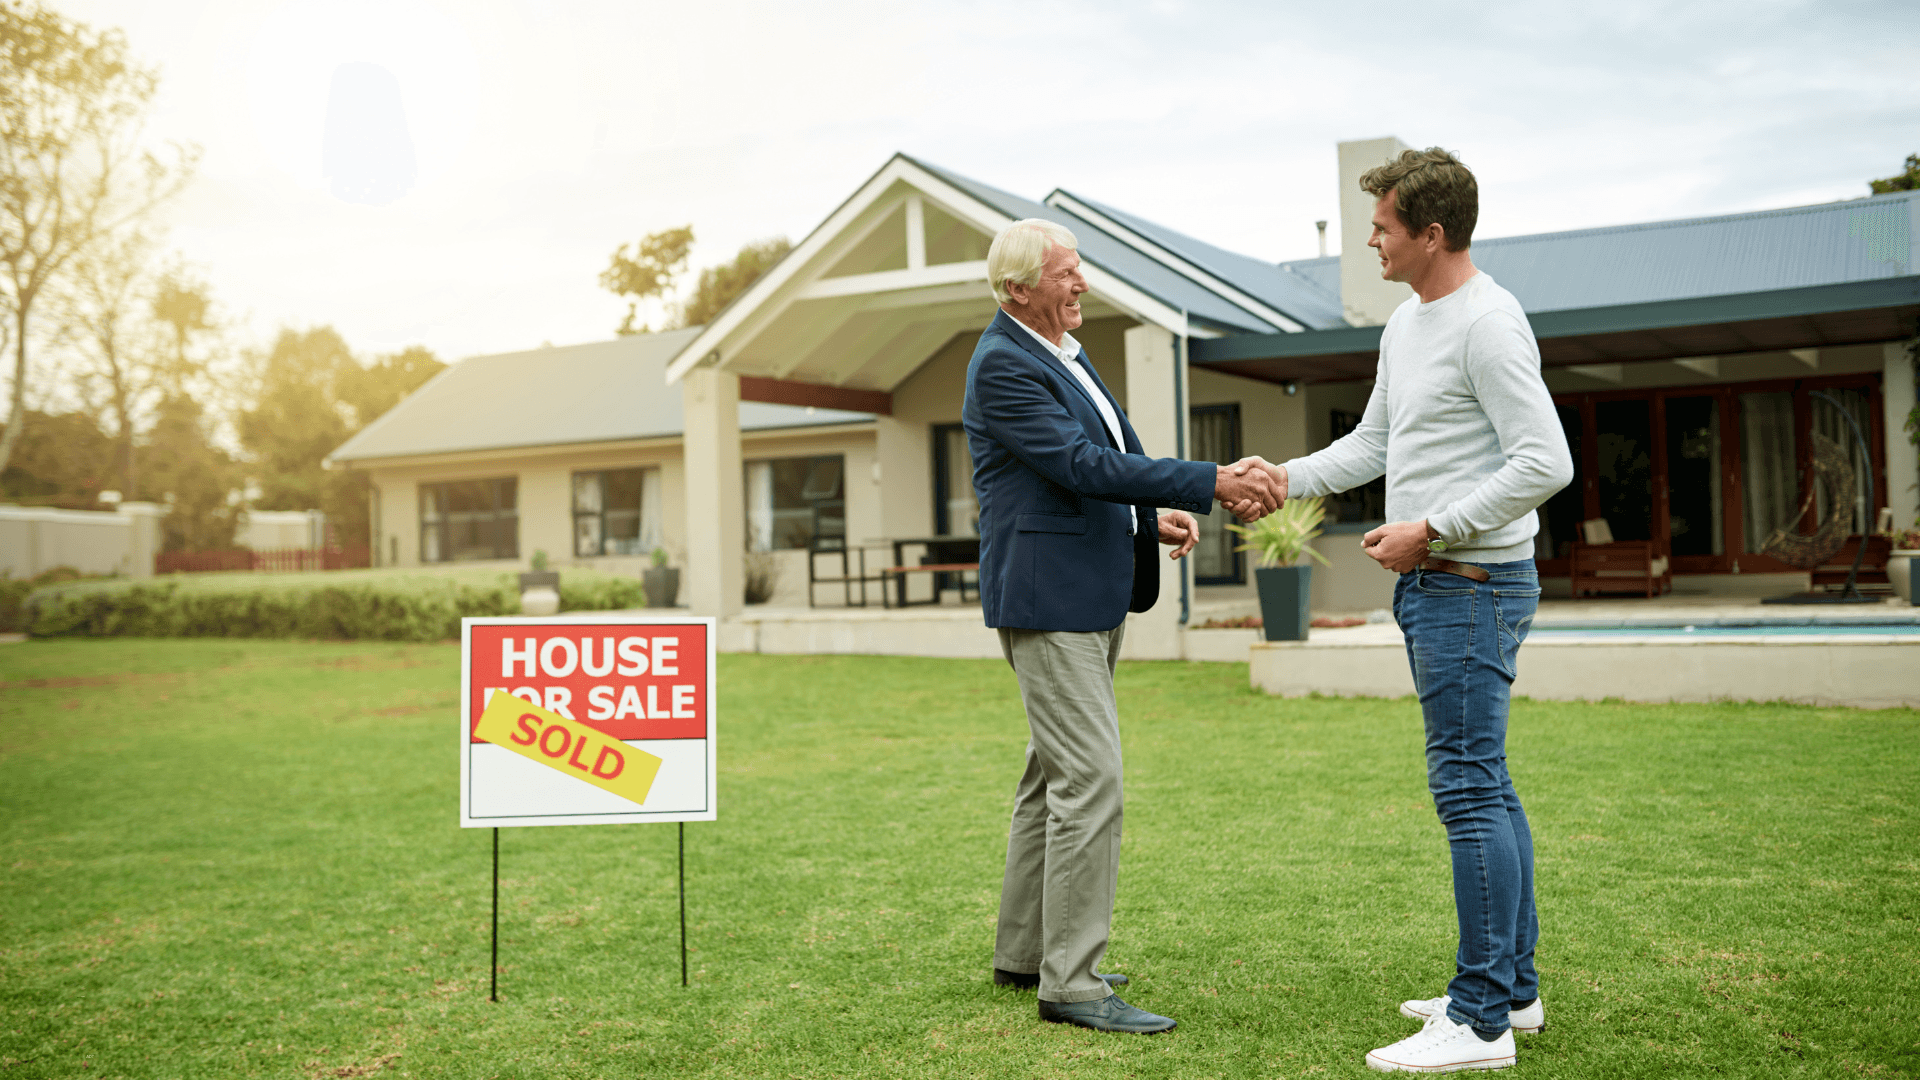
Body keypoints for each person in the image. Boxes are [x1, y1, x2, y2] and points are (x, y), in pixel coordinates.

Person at [1229, 148, 1572, 1072]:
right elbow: (1376, 442)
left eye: (1382, 226)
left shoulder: (1489, 324)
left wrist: (1435, 529)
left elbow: (1546, 461)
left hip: (1470, 584)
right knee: (1487, 785)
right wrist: (1278, 478)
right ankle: (1516, 991)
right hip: (1440, 584)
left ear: (1431, 233)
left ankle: (1480, 1021)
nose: (1371, 241)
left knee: (1467, 790)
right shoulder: (1408, 325)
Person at [965, 218, 1283, 1034]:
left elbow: (1098, 465)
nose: (1083, 285)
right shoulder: (1004, 363)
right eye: (1067, 274)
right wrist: (1211, 479)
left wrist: (1153, 515)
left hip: (1086, 593)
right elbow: (1078, 465)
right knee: (1089, 781)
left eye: (1081, 270)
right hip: (1052, 602)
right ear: (1018, 290)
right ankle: (1072, 984)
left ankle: (1028, 953)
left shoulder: (1060, 349)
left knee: (1050, 779)